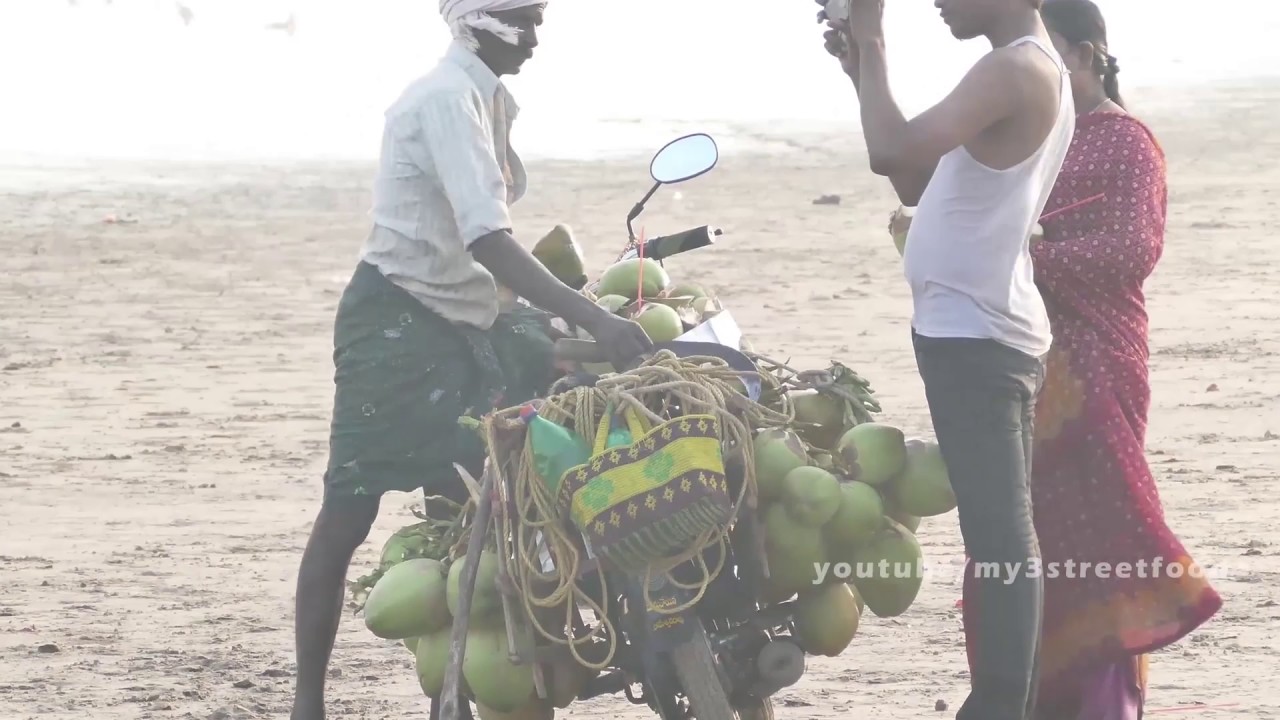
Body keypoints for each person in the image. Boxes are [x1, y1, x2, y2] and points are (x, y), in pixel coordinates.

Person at [289, 2, 653, 718]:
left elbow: (480, 250)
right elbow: (488, 237)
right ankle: (308, 700)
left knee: (468, 500)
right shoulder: (448, 101)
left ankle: (455, 687)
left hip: (463, 317)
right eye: (524, 18)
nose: (538, 33)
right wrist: (595, 319)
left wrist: (543, 312)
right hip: (395, 323)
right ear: (478, 23)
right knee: (349, 508)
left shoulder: (487, 97)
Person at [959, 1, 1222, 718]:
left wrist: (1025, 255)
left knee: (1096, 547)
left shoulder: (1127, 141)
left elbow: (1131, 252)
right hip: (1018, 367)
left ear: (1086, 55)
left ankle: (1103, 704)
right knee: (1011, 542)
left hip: (1096, 367)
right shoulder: (1033, 136)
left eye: (1053, 53)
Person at [821, 0, 1074, 718]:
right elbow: (916, 183)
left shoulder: (1014, 68)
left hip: (977, 336)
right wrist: (860, 66)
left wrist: (872, 35)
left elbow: (890, 153)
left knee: (1000, 534)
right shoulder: (1024, 66)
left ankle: (999, 705)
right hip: (980, 329)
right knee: (1003, 531)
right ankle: (1006, 701)